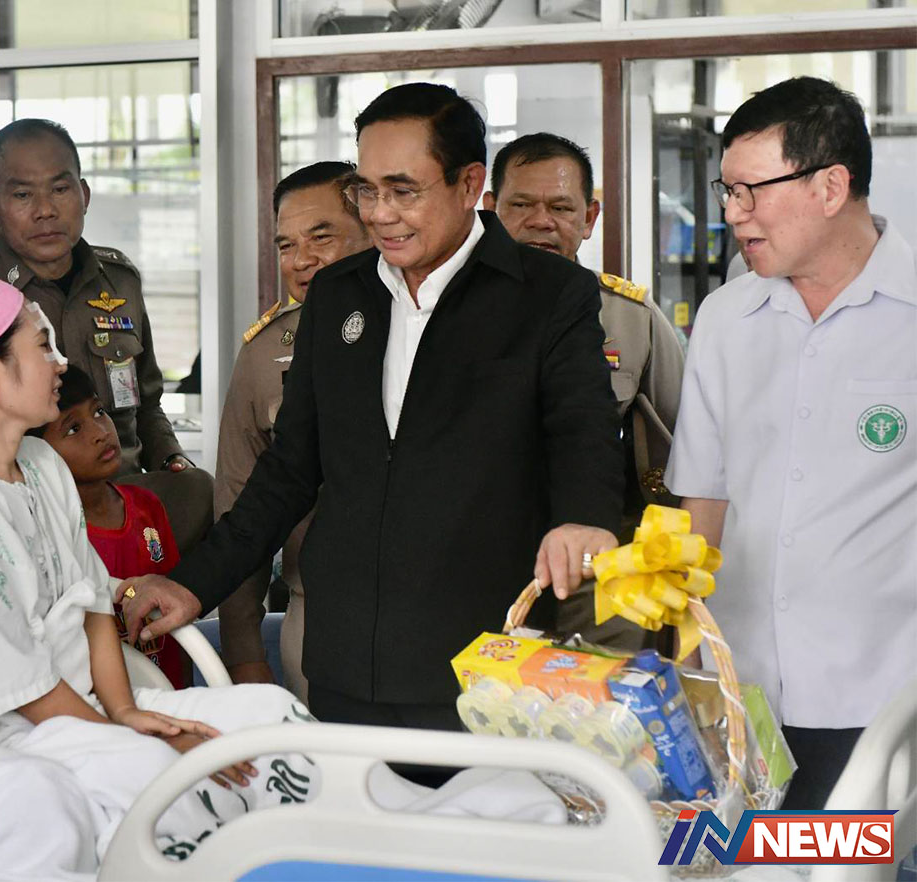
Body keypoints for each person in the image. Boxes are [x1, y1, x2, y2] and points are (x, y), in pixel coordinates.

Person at [120, 82, 625, 734]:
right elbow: (288, 471)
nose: (381, 214)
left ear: (469, 184)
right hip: (346, 661)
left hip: (488, 666)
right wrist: (192, 584)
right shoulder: (338, 295)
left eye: (403, 191)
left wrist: (584, 519)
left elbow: (583, 429)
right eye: (367, 190)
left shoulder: (548, 295)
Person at [0, 276, 316, 879]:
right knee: (153, 774)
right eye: (42, 346)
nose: (61, 362)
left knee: (267, 716)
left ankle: (328, 853)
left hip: (76, 707)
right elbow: (14, 689)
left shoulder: (41, 465)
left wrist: (125, 712)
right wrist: (131, 738)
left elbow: (97, 605)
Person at [665, 76, 916, 809]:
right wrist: (690, 671)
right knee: (753, 859)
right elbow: (704, 503)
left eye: (751, 191)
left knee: (858, 860)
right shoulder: (725, 318)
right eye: (727, 191)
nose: (731, 212)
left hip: (885, 703)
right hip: (742, 702)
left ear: (830, 186)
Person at [483, 133, 686, 650]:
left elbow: (685, 445)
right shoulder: (445, 312)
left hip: (599, 573)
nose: (541, 221)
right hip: (480, 567)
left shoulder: (631, 318)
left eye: (560, 207)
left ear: (589, 217)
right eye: (520, 205)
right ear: (489, 209)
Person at [0, 119, 191, 478]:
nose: (45, 210)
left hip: (121, 495)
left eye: (59, 189)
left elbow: (148, 405)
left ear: (84, 195)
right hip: (22, 500)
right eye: (22, 195)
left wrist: (170, 458)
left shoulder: (120, 282)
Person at [216, 161, 372, 698]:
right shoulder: (265, 353)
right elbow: (238, 501)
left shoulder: (429, 328)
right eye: (286, 245)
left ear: (374, 229)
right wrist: (243, 653)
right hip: (317, 611)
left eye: (321, 238)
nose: (301, 260)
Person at [30, 365, 190, 689]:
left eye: (99, 412)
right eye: (74, 429)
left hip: (171, 692)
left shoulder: (147, 506)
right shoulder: (52, 532)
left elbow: (177, 609)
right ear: (36, 454)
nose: (100, 432)